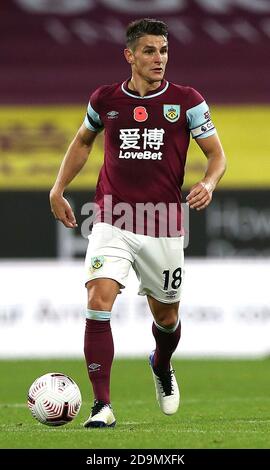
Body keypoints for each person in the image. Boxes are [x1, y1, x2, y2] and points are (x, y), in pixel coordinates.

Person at [49, 18, 226, 428]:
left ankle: (161, 364)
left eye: (163, 51)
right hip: (112, 217)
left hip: (163, 222)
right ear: (130, 56)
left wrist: (209, 182)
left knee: (166, 318)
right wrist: (58, 188)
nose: (158, 58)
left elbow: (217, 155)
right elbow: (82, 142)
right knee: (98, 301)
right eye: (149, 51)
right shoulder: (105, 99)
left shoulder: (187, 101)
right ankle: (102, 406)